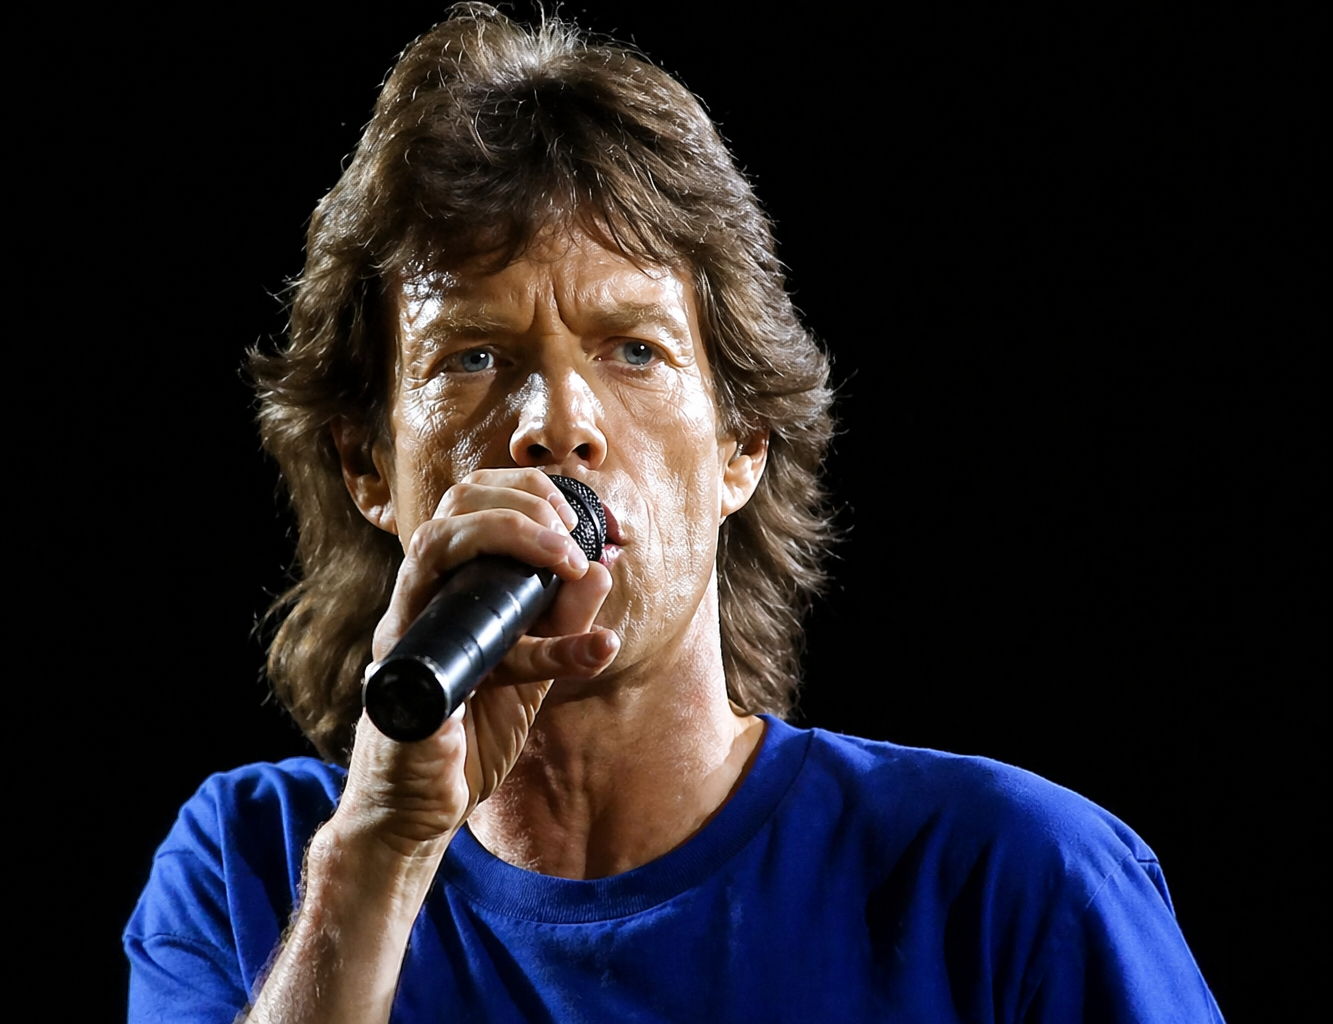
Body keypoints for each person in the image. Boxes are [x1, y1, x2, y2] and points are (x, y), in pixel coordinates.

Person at [125, 8, 1223, 1021]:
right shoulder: (249, 868)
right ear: (368, 464)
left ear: (743, 445)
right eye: (472, 357)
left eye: (635, 350)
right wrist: (379, 850)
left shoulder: (1016, 882)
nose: (557, 423)